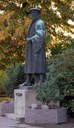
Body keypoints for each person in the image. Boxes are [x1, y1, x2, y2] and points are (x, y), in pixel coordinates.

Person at [20, 8, 46, 88]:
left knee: (38, 63)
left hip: (37, 47)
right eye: (31, 13)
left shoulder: (39, 22)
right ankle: (28, 81)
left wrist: (31, 39)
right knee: (29, 63)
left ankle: (40, 81)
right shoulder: (33, 22)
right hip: (31, 47)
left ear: (37, 13)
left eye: (33, 13)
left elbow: (41, 34)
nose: (32, 15)